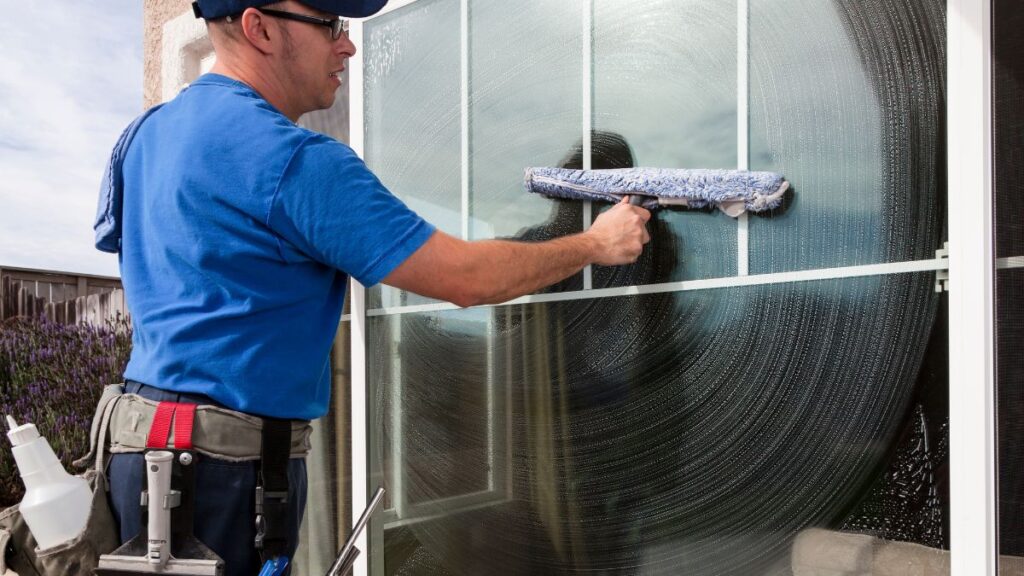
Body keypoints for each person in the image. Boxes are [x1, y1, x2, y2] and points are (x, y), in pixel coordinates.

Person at [94, 1, 650, 574]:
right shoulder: (290, 160)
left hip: (141, 446)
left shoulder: (141, 138)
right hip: (217, 471)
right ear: (259, 27)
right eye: (331, 25)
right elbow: (463, 278)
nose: (349, 46)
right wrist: (594, 245)